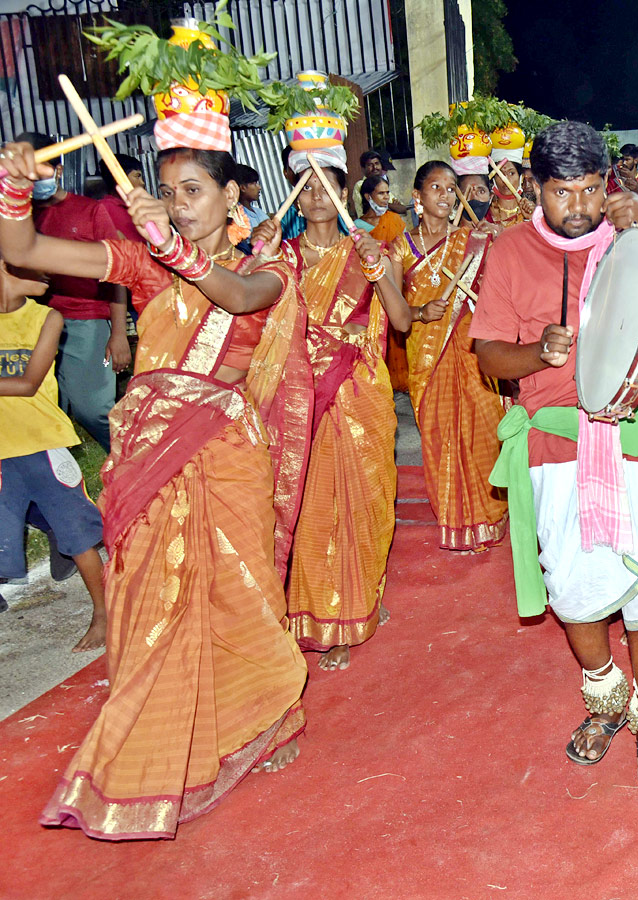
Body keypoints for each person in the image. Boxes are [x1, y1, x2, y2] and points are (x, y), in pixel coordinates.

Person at [0, 88, 310, 839]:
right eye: (169, 195)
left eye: (195, 192)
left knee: (239, 593)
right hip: (147, 453)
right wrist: (13, 192)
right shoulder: (142, 265)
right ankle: (157, 725)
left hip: (223, 451)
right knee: (151, 598)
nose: (180, 206)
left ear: (233, 191)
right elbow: (25, 253)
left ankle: (260, 715)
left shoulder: (271, 265)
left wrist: (174, 250)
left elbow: (236, 297)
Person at [471, 120, 638, 787]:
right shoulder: (507, 251)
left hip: (628, 432)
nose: (581, 207)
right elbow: (487, 357)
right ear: (538, 188)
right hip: (552, 442)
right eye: (565, 192)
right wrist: (539, 352)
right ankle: (604, 693)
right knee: (571, 588)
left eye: (593, 191)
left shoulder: (633, 240)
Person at [257, 150, 410, 672]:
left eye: (326, 186)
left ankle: (355, 604)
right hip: (299, 394)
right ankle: (311, 613)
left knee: (361, 498)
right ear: (295, 197)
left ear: (345, 194)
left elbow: (403, 320)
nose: (316, 195)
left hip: (358, 388)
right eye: (306, 187)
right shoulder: (285, 258)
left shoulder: (371, 251)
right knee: (306, 502)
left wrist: (377, 271)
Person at [396, 160, 507, 550]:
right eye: (436, 188)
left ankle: (489, 518)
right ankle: (458, 523)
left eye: (450, 188)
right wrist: (420, 312)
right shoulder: (400, 247)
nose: (444, 196)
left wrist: (495, 241)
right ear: (417, 197)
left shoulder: (471, 240)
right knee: (442, 435)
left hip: (471, 350)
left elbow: (501, 290)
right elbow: (392, 311)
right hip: (427, 354)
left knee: (483, 426)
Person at [0, 257, 105, 652]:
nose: (47, 272)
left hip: (42, 444)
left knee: (78, 535)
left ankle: (103, 613)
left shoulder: (48, 317)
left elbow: (28, 383)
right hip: (3, 449)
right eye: (30, 264)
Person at [20, 132, 130, 451]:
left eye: (40, 169)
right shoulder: (20, 218)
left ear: (57, 170)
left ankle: (131, 460)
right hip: (38, 321)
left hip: (86, 320)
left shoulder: (90, 212)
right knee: (50, 406)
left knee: (92, 408)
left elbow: (118, 273)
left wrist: (119, 333)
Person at [350, 149, 408, 220]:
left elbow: (402, 209)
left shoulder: (382, 184)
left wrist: (385, 205)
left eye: (377, 163)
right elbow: (367, 213)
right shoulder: (360, 185)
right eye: (370, 165)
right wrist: (390, 206)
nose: (375, 168)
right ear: (363, 169)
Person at [357, 174, 407, 242]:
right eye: (381, 193)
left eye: (387, 193)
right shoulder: (357, 225)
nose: (386, 197)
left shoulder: (395, 219)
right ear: (368, 196)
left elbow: (405, 247)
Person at [235, 163, 267, 228]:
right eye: (254, 183)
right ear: (243, 187)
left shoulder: (259, 212)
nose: (259, 187)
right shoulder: (237, 218)